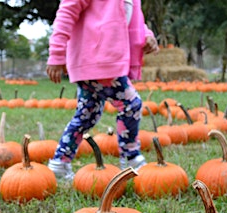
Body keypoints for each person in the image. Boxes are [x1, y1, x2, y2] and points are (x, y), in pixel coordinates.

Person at [46, 0, 159, 182]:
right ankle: (131, 158)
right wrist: (57, 53)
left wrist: (146, 34)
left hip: (101, 62)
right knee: (131, 103)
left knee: (86, 115)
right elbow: (66, 13)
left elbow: (129, 18)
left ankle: (60, 163)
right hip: (98, 59)